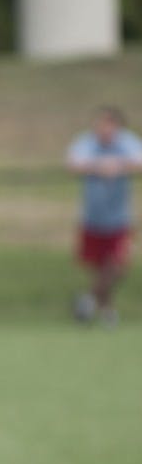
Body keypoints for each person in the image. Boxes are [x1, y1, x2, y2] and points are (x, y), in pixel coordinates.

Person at [66, 106, 142, 325]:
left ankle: (89, 300)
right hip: (93, 218)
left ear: (117, 126)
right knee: (99, 268)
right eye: (100, 124)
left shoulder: (126, 143)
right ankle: (107, 312)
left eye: (108, 125)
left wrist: (119, 165)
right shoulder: (87, 142)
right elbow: (72, 164)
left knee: (119, 265)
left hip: (119, 218)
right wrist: (99, 166)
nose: (103, 129)